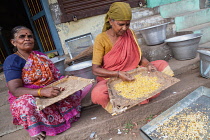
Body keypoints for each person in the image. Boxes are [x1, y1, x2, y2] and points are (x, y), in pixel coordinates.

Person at [3, 26, 92, 140]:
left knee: (75, 89)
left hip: (49, 90)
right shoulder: (12, 60)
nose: (27, 39)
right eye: (22, 37)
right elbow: (15, 90)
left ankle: (66, 113)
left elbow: (54, 76)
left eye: (30, 36)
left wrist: (65, 81)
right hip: (31, 95)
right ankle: (35, 129)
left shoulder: (40, 56)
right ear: (13, 42)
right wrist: (41, 91)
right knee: (25, 103)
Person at [91, 2, 174, 113]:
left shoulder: (130, 33)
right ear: (110, 21)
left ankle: (131, 99)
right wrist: (118, 74)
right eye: (121, 24)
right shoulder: (101, 39)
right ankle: (124, 102)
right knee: (97, 95)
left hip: (135, 74)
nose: (125, 28)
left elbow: (139, 57)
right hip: (113, 78)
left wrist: (148, 65)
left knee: (163, 65)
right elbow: (95, 69)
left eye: (127, 24)